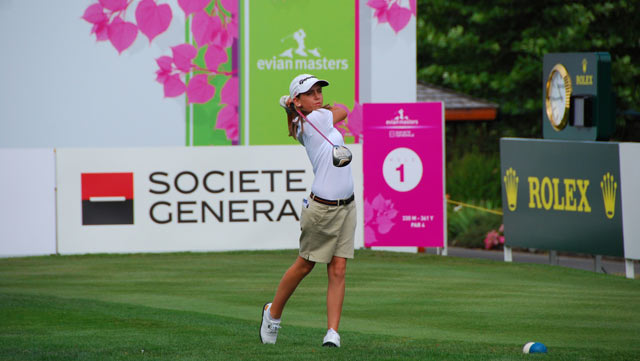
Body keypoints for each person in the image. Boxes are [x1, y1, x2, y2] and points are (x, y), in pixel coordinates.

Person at [259, 74, 356, 348]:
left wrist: (291, 105)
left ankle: (332, 333)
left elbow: (300, 114)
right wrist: (302, 107)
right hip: (322, 210)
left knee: (338, 269)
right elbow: (344, 110)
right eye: (310, 93)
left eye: (319, 91)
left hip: (347, 205)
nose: (318, 96)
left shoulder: (303, 121)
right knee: (305, 264)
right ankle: (272, 314)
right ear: (299, 100)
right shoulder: (315, 120)